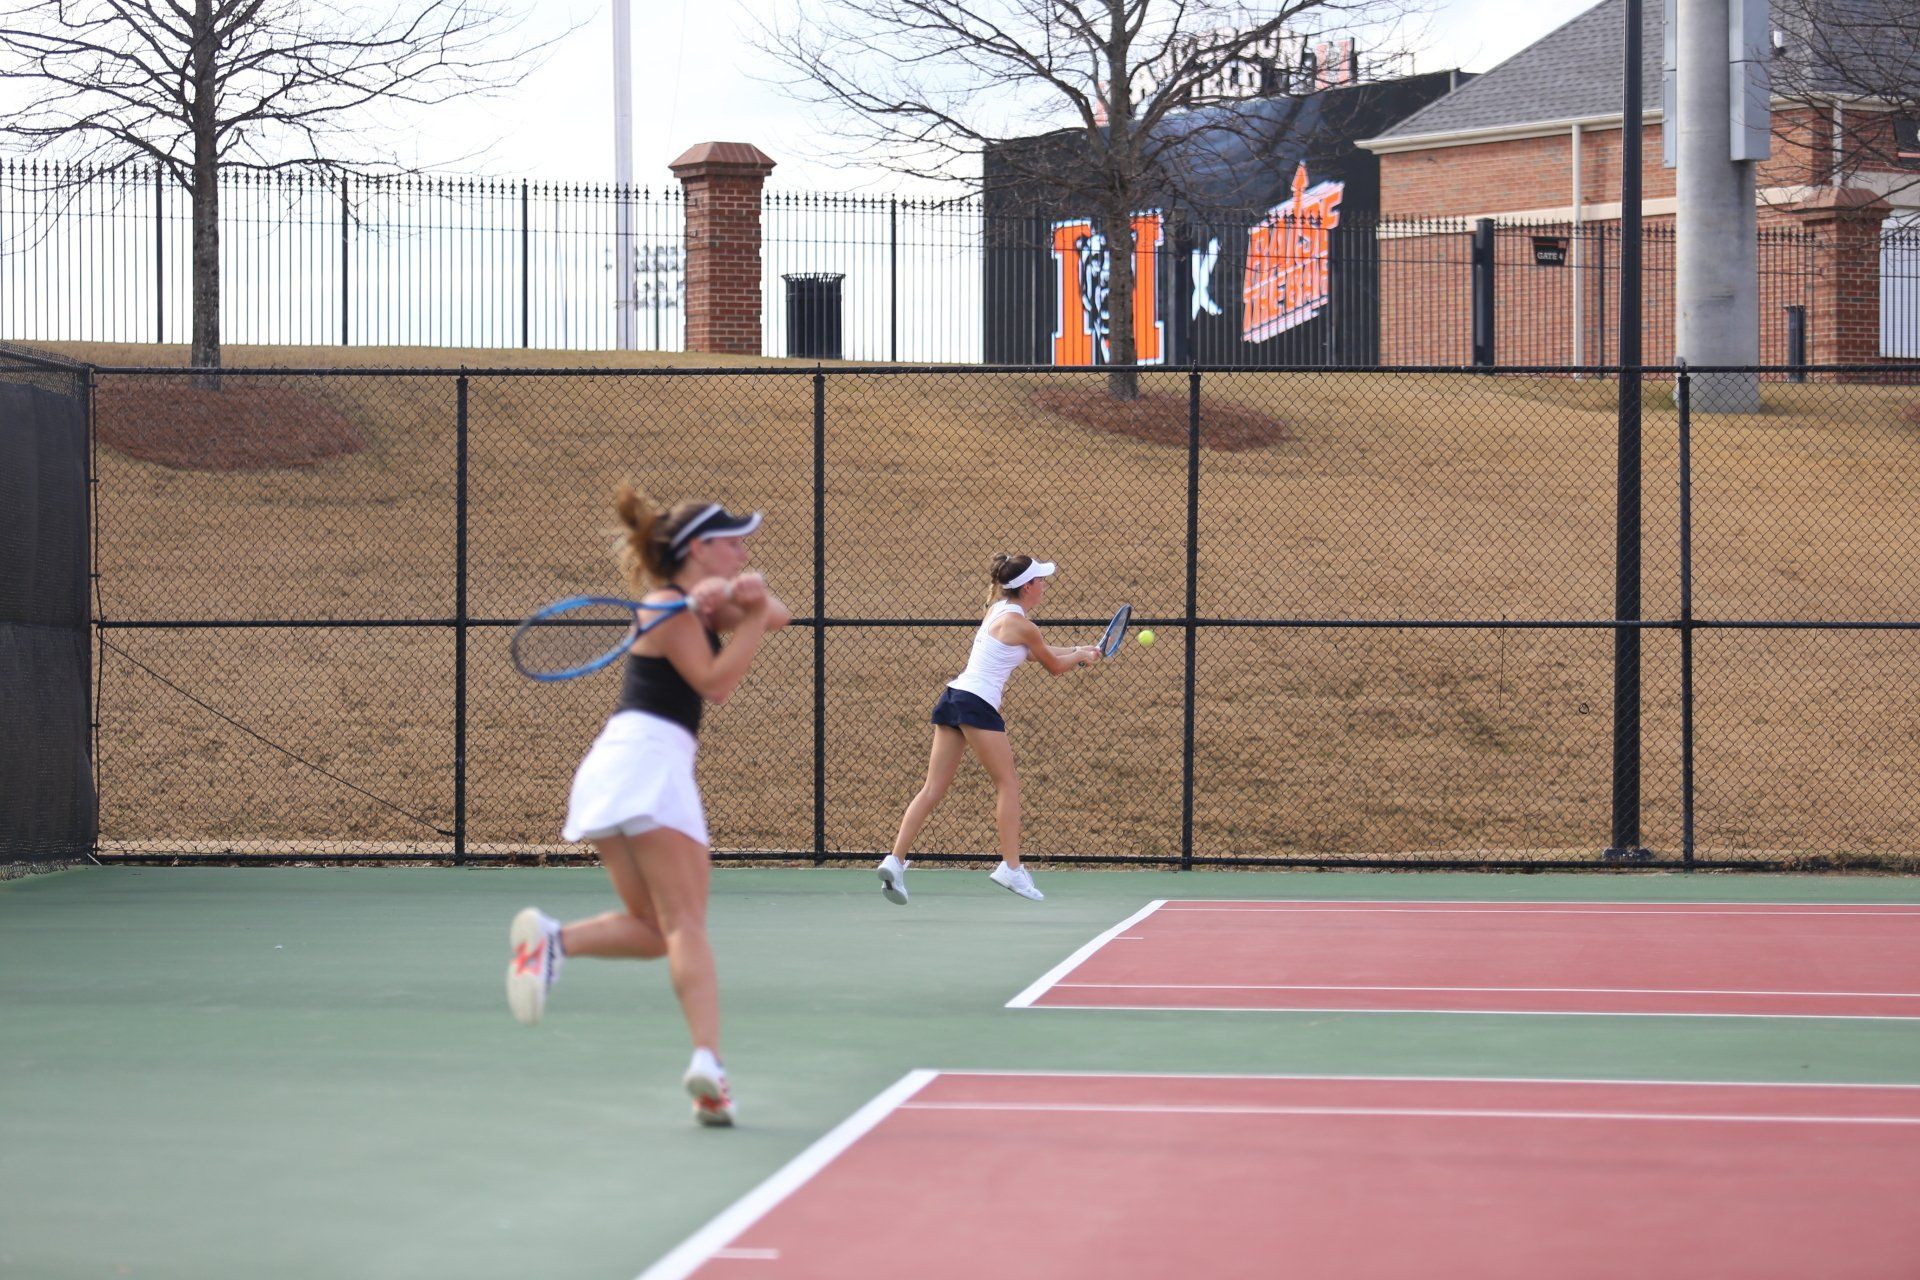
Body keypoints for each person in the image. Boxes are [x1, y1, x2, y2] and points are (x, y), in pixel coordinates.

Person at [505, 490, 788, 1128]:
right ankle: (708, 1066)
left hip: (617, 769)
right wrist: (741, 614)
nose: (745, 550)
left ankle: (552, 942)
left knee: (657, 930)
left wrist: (742, 600)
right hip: (650, 763)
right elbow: (715, 685)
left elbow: (781, 616)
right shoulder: (665, 606)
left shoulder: (686, 606)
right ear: (698, 550)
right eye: (734, 541)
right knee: (687, 923)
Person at [877, 554, 1100, 905]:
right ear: (1027, 587)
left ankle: (895, 860)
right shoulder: (1024, 625)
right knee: (1007, 784)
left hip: (954, 696)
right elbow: (1053, 667)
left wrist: (1078, 649)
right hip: (977, 704)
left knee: (932, 788)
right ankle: (1011, 868)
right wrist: (1079, 658)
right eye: (1040, 580)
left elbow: (1032, 653)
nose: (1044, 585)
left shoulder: (999, 610)